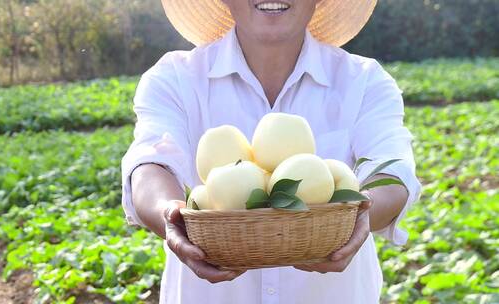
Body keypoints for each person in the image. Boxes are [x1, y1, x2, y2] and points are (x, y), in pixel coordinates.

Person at [121, 0, 422, 303]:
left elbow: (392, 172)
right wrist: (170, 214)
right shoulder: (174, 78)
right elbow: (149, 166)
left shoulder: (364, 81)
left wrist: (362, 212)